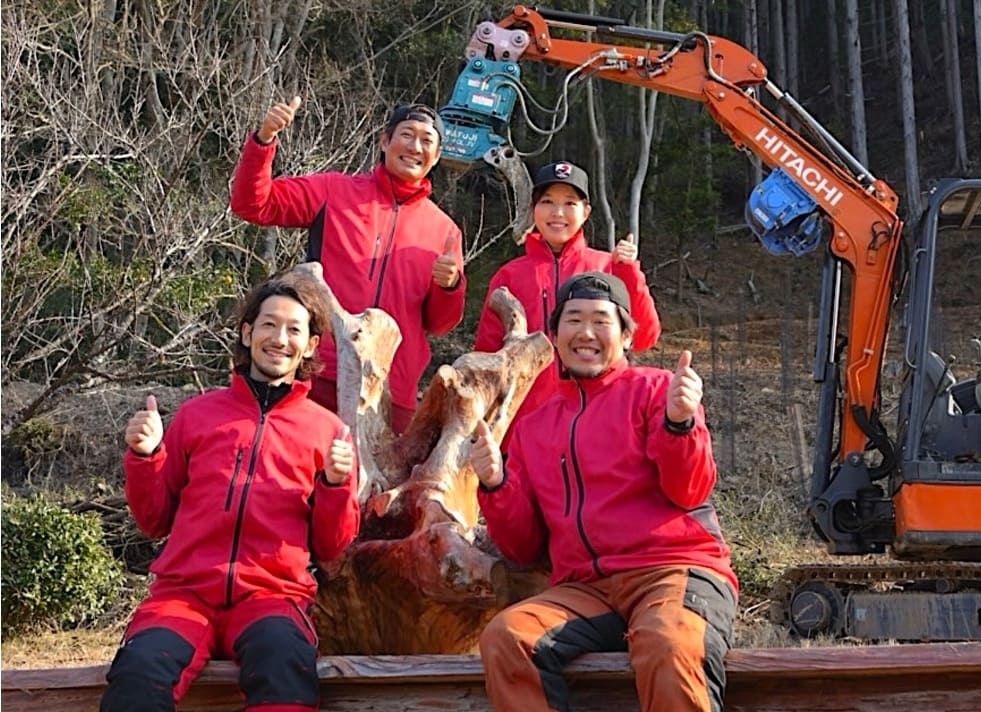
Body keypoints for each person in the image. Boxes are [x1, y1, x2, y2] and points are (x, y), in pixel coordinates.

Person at [470, 272, 737, 712]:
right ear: (554, 335)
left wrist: (679, 423)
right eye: (573, 320)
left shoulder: (655, 391)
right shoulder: (534, 426)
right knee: (506, 637)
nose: (586, 333)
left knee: (667, 642)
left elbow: (689, 490)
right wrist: (496, 484)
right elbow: (523, 546)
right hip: (586, 589)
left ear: (627, 335)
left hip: (672, 571)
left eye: (601, 320)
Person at [100, 273, 360, 712]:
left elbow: (332, 546)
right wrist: (145, 457)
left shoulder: (327, 430)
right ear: (247, 332)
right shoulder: (197, 415)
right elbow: (154, 520)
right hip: (184, 594)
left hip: (272, 597)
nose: (280, 339)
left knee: (285, 675)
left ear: (312, 345)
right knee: (137, 675)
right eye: (268, 325)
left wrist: (335, 485)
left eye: (294, 329)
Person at [230, 97, 465, 433]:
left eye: (427, 141)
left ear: (437, 156)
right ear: (384, 141)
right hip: (317, 373)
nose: (415, 147)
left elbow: (440, 323)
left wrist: (450, 287)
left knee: (376, 486)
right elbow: (253, 204)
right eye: (407, 135)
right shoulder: (334, 191)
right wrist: (264, 140)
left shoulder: (445, 231)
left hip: (391, 392)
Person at [471, 161, 660, 428]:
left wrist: (628, 273)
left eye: (570, 203)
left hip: (599, 422)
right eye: (547, 201)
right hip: (524, 425)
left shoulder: (607, 267)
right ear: (533, 210)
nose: (557, 212)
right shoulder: (509, 277)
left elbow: (644, 336)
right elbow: (486, 354)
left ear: (586, 212)